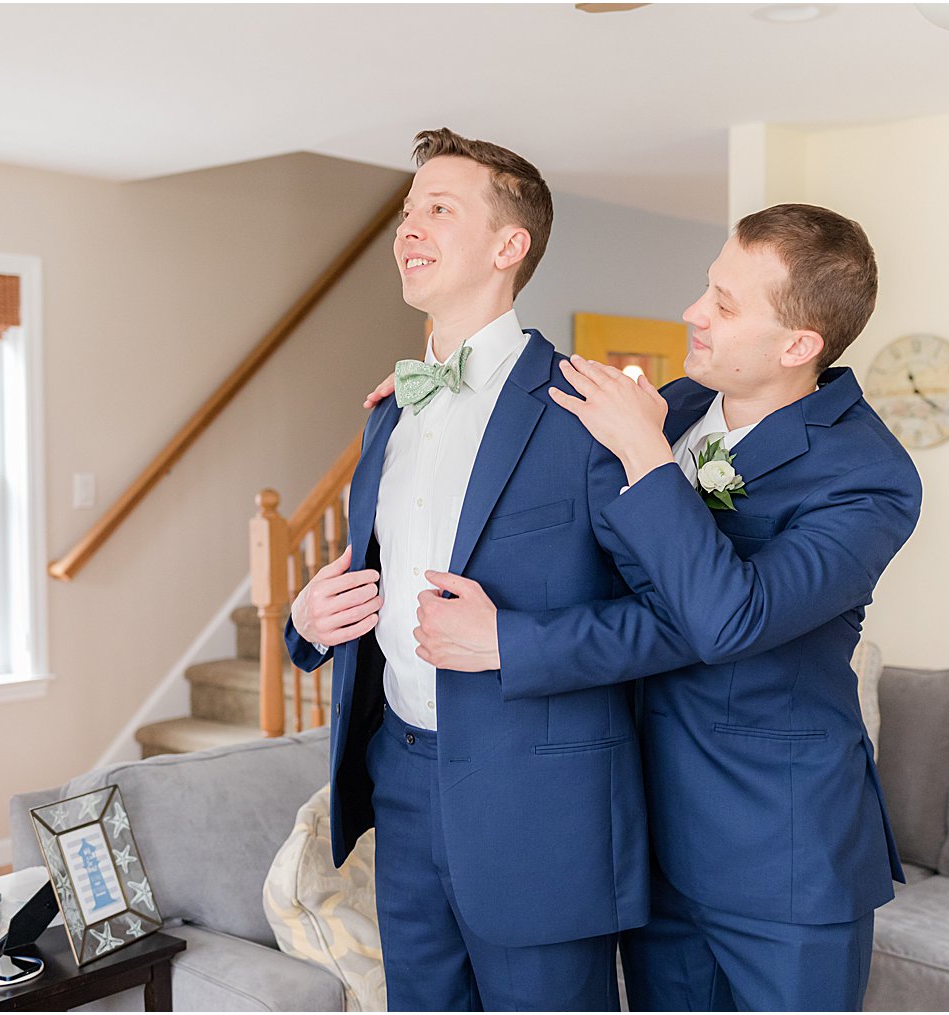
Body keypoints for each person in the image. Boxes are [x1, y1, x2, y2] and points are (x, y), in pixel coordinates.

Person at [402, 204, 922, 1010]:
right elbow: (520, 437)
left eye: (724, 302)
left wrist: (644, 460)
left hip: (780, 855)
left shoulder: (869, 478)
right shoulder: (671, 404)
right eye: (705, 288)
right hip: (642, 840)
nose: (693, 313)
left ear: (798, 345)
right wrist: (433, 413)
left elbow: (729, 620)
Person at [285, 129, 684, 1011]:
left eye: (439, 208)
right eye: (404, 211)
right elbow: (371, 580)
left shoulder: (588, 410)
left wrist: (512, 641)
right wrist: (307, 622)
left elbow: (678, 616)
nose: (407, 229)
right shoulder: (389, 412)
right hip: (403, 783)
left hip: (541, 805)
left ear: (510, 246)